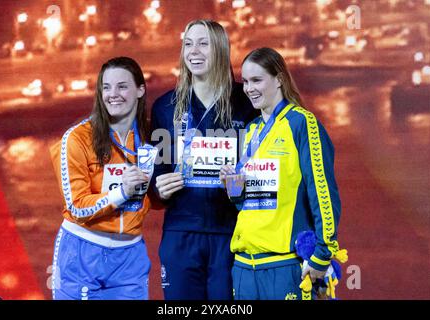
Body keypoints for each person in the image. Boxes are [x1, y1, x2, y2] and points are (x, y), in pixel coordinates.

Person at [220, 47, 342, 300]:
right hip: (244, 265)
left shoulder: (301, 123)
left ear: (279, 79)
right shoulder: (252, 130)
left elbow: (322, 191)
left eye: (257, 80)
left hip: (284, 264)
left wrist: (323, 252)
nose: (248, 88)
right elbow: (252, 202)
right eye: (245, 81)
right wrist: (234, 190)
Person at [150, 19, 258, 300]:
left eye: (203, 43)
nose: (193, 51)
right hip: (181, 233)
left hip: (232, 234)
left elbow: (262, 178)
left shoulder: (246, 104)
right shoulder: (165, 106)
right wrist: (159, 189)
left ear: (221, 49)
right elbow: (156, 182)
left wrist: (237, 187)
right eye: (188, 44)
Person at [49, 56, 156, 300]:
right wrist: (122, 192)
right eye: (106, 87)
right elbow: (76, 206)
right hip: (82, 254)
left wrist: (165, 192)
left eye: (122, 86)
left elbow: (152, 200)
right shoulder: (76, 139)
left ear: (140, 90)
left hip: (130, 257)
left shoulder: (151, 136)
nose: (112, 94)